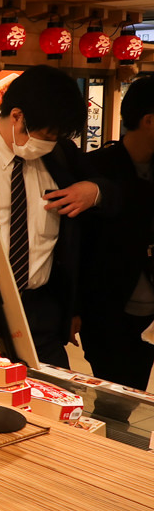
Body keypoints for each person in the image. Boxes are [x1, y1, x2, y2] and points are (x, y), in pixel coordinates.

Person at [0, 65, 111, 368]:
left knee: (54, 404)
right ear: (17, 116)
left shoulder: (60, 155)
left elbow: (117, 194)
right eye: (46, 134)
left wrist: (93, 191)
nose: (50, 142)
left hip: (39, 313)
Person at [79, 75, 154, 389]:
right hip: (107, 310)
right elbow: (79, 247)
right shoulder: (96, 168)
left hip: (151, 311)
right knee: (114, 395)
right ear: (149, 120)